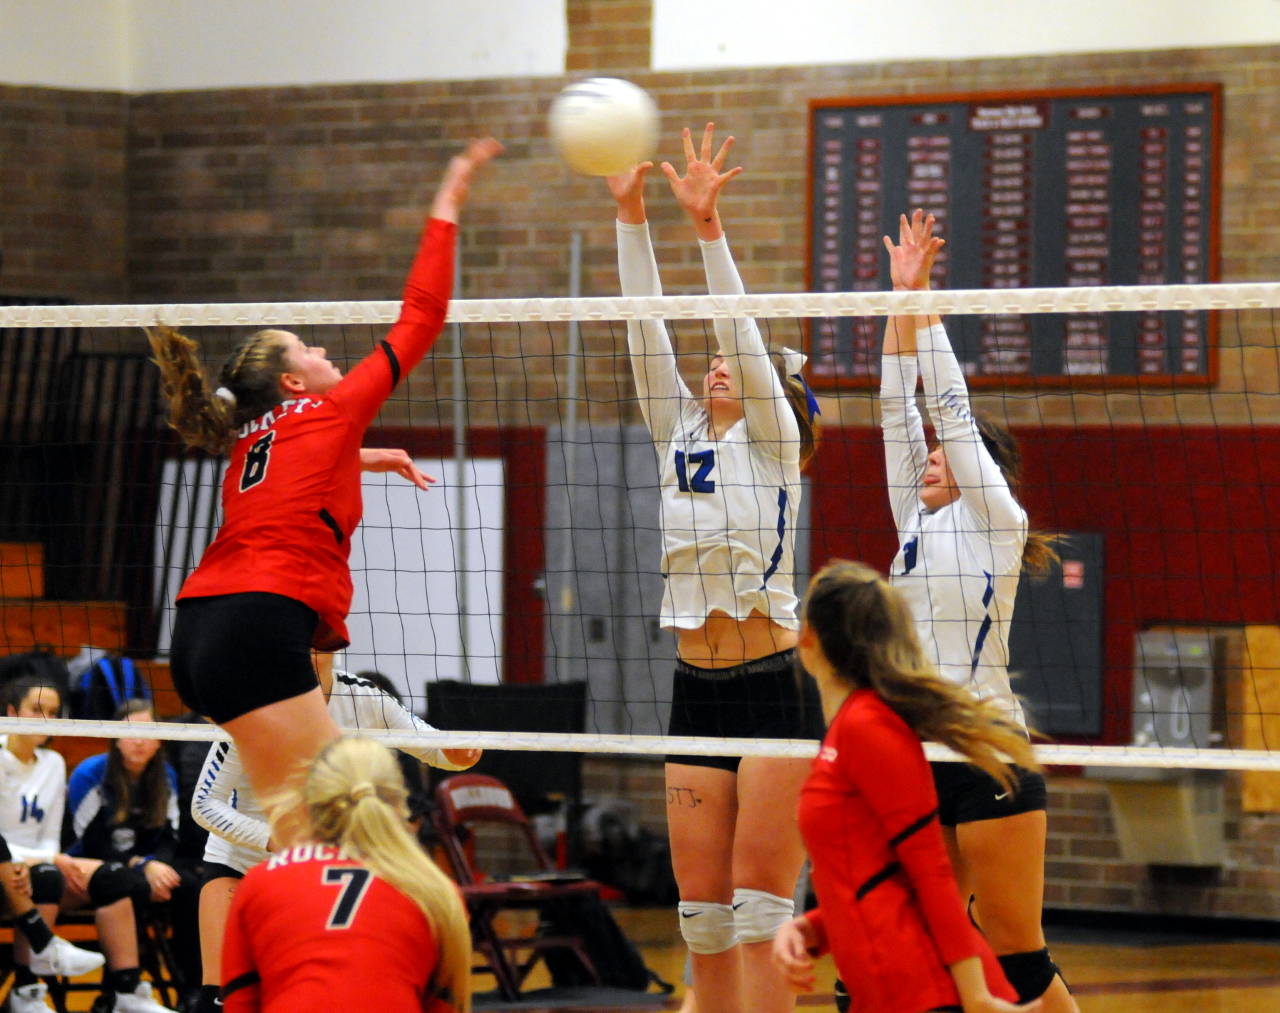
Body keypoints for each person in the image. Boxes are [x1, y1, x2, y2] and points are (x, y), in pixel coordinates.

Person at [149, 137, 500, 835]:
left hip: (196, 629)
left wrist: (365, 459)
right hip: (258, 622)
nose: (324, 352)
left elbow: (293, 480)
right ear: (291, 381)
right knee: (344, 818)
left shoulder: (248, 437)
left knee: (297, 826)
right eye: (309, 349)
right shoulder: (330, 408)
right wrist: (449, 201)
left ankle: (275, 939)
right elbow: (422, 317)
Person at [608, 123, 822, 1013]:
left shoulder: (775, 445)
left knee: (759, 907)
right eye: (719, 361)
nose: (720, 361)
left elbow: (735, 321)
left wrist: (708, 229)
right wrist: (630, 215)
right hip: (694, 686)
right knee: (701, 919)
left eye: (742, 362)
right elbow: (642, 330)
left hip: (774, 686)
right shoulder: (679, 431)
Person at [876, 210, 1075, 1010]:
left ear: (977, 470)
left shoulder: (998, 521)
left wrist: (930, 303)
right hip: (919, 749)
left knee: (1013, 942)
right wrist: (898, 302)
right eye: (925, 457)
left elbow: (949, 414)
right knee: (927, 928)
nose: (928, 457)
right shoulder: (914, 521)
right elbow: (899, 412)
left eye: (942, 458)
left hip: (988, 743)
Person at [772, 560, 1042, 1013]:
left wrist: (974, 995)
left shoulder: (870, 727)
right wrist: (809, 929)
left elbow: (930, 871)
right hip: (884, 988)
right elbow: (872, 874)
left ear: (808, 639)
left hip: (923, 991)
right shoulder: (847, 728)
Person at [187, 654, 480, 1013]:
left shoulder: (363, 698)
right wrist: (270, 838)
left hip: (323, 868)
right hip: (241, 860)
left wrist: (461, 753)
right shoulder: (255, 704)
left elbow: (435, 747)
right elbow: (204, 804)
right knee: (217, 999)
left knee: (326, 981)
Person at [219, 737, 471, 1012]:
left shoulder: (261, 881)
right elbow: (444, 1005)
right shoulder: (436, 890)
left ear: (308, 802)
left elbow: (240, 1003)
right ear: (400, 803)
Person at [0, 674, 175, 1013]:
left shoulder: (53, 762)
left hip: (41, 859)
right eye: (36, 710)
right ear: (11, 711)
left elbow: (51, 833)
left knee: (116, 879)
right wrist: (48, 858)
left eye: (53, 711)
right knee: (48, 875)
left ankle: (126, 993)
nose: (47, 720)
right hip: (10, 868)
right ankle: (26, 990)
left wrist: (51, 856)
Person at [66, 700, 202, 994]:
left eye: (147, 731)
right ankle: (121, 987)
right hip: (95, 866)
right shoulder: (90, 774)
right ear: (115, 737)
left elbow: (170, 835)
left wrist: (159, 866)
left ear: (160, 739)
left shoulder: (165, 775)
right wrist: (143, 865)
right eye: (131, 731)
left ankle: (193, 989)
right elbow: (91, 843)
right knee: (132, 884)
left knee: (191, 884)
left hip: (145, 865)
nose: (139, 740)